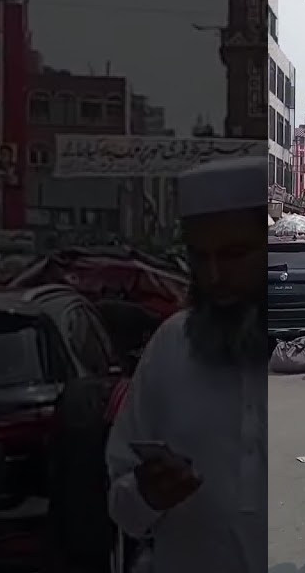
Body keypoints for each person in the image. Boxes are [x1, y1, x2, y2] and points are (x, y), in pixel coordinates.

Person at [104, 157, 266, 573]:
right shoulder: (171, 345)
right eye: (200, 257)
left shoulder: (301, 353)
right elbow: (122, 506)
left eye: (233, 255)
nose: (214, 275)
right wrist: (148, 494)